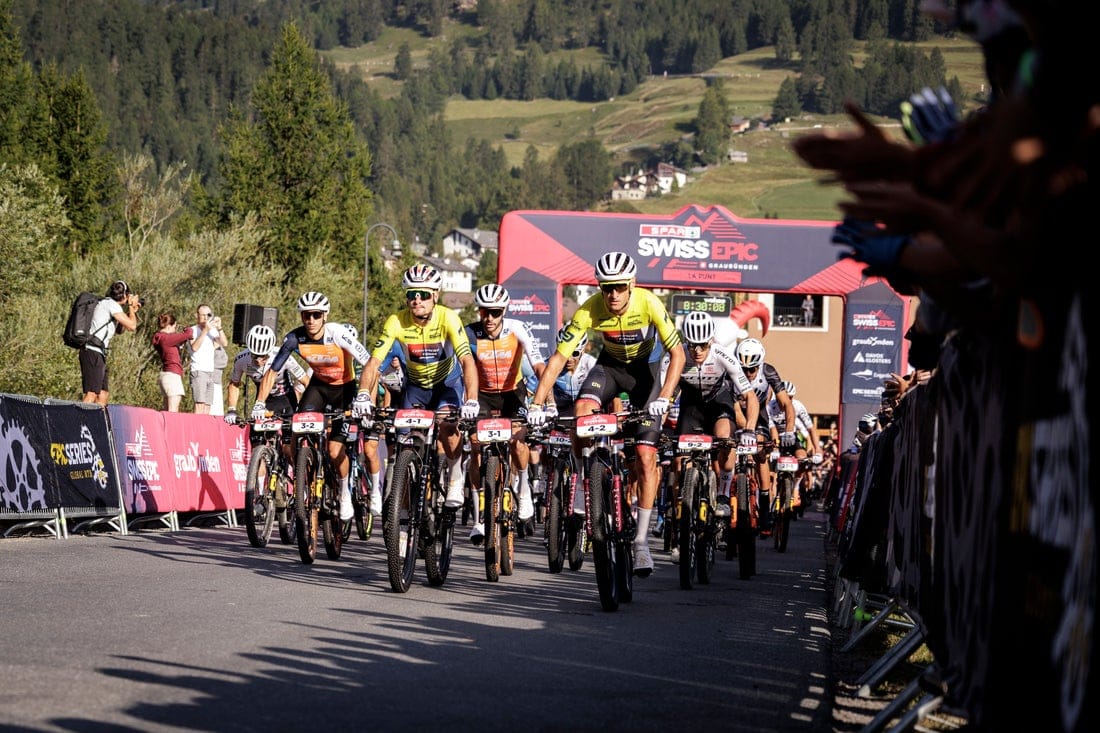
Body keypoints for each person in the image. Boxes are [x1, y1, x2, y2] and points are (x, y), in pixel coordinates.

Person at [527, 251, 685, 577]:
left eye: (619, 287)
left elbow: (678, 354)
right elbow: (558, 359)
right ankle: (583, 485)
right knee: (582, 414)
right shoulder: (590, 309)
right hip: (611, 369)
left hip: (646, 376)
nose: (612, 294)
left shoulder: (649, 303)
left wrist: (665, 397)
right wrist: (537, 404)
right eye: (606, 287)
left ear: (632, 284)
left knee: (645, 457)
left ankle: (641, 543)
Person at [355, 264, 480, 514]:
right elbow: (374, 362)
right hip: (416, 389)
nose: (417, 300)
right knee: (405, 445)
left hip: (447, 385)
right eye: (412, 294)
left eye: (423, 294)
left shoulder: (448, 317)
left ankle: (455, 476)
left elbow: (467, 360)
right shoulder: (396, 321)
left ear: (435, 295)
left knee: (448, 426)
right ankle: (402, 513)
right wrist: (363, 394)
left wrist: (472, 399)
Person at [252, 291, 373, 522]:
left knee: (334, 451)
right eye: (306, 315)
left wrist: (365, 396)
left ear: (325, 315)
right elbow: (272, 372)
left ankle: (344, 492)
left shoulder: (337, 333)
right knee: (296, 429)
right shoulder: (294, 338)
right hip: (318, 387)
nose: (311, 320)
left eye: (316, 315)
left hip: (344, 389)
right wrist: (259, 403)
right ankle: (303, 479)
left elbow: (369, 363)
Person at [662, 311, 759, 562]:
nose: (697, 351)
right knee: (679, 463)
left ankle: (723, 495)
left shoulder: (723, 355)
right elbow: (664, 396)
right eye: (692, 345)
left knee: (725, 439)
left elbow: (750, 396)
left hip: (719, 405)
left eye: (703, 345)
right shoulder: (675, 357)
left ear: (711, 341)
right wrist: (657, 426)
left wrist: (749, 429)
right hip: (691, 408)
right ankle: (680, 517)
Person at [463, 283, 547, 543]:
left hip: (512, 393)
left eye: (495, 312)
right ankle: (479, 518)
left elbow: (539, 366)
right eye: (484, 311)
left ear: (504, 311)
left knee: (518, 441)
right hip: (483, 394)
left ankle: (523, 491)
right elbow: (460, 368)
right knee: (476, 445)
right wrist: (465, 401)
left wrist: (547, 402)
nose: (489, 318)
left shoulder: (517, 328)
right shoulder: (470, 333)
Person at [733, 337, 796, 532]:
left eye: (752, 369)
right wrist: (745, 429)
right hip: (735, 414)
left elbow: (786, 404)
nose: (747, 374)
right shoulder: (731, 369)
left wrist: (789, 430)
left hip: (758, 415)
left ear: (759, 365)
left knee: (760, 452)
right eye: (743, 369)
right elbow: (735, 409)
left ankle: (765, 501)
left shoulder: (768, 371)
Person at [80, 280, 141, 406]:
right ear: (125, 295)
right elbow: (132, 326)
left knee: (103, 393)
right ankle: (78, 418)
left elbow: (120, 330)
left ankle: (97, 418)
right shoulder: (110, 304)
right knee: (91, 394)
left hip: (98, 352)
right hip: (92, 350)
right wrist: (131, 307)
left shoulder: (109, 305)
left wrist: (131, 312)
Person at [766, 380, 823, 508]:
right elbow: (772, 430)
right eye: (785, 397)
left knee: (802, 458)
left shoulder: (798, 406)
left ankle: (796, 486)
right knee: (770, 476)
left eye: (791, 398)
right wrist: (775, 449)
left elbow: (811, 429)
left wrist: (818, 450)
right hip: (774, 439)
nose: (788, 401)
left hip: (792, 438)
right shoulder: (770, 407)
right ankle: (770, 501)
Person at [187, 305, 228, 415]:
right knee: (199, 404)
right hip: (199, 371)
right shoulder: (192, 330)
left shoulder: (212, 331)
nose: (206, 318)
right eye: (203, 315)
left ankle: (204, 426)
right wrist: (205, 331)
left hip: (210, 372)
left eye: (208, 315)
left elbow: (224, 343)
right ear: (197, 315)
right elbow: (194, 347)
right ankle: (196, 425)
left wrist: (219, 328)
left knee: (207, 406)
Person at [152, 311, 192, 411]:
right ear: (170, 326)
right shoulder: (166, 338)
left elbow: (178, 341)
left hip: (167, 376)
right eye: (175, 327)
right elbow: (188, 334)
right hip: (172, 376)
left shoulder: (160, 338)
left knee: (167, 410)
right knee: (173, 410)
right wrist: (188, 328)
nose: (175, 330)